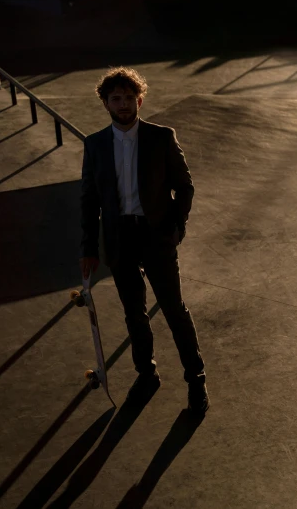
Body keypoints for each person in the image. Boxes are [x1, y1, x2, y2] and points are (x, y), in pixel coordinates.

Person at [79, 66, 209, 413]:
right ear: (106, 103)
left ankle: (195, 379)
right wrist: (89, 248)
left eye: (127, 98)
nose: (122, 104)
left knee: (173, 309)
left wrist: (176, 227)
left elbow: (185, 186)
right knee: (134, 313)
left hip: (156, 234)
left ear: (139, 99)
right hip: (119, 237)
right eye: (115, 99)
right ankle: (146, 373)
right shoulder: (94, 145)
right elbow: (90, 199)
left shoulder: (161, 137)